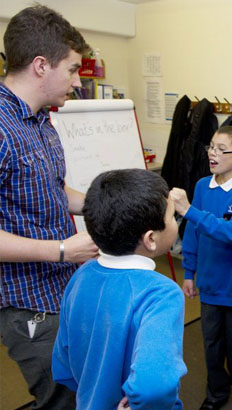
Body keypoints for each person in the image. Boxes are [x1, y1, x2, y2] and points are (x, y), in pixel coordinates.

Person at [0, 5, 99, 409]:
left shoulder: (41, 121)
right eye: (73, 70)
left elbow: (54, 192)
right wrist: (61, 250)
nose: (78, 82)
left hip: (62, 288)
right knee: (61, 399)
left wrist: (109, 200)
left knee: (81, 389)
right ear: (41, 65)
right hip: (28, 304)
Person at [52, 169, 187, 410]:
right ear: (150, 239)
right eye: (171, 217)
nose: (175, 220)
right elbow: (155, 387)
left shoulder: (81, 274)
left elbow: (63, 363)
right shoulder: (161, 294)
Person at [170, 125, 232, 410]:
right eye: (211, 147)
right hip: (209, 282)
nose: (213, 153)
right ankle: (216, 391)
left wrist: (189, 211)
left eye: (221, 150)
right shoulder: (201, 186)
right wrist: (189, 271)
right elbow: (195, 232)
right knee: (211, 344)